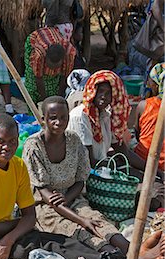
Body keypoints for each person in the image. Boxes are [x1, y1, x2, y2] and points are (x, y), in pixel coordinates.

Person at [0, 113, 101, 259]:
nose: (7, 147)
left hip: (3, 230)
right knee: (38, 251)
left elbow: (30, 216)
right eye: (0, 141)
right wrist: (19, 224)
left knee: (56, 239)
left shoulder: (18, 166)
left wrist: (10, 237)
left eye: (12, 141)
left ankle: (105, 257)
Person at [23, 96, 130, 255]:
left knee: (97, 220)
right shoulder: (34, 147)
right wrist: (81, 221)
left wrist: (68, 199)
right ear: (43, 119)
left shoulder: (73, 140)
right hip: (45, 207)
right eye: (53, 118)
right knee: (76, 230)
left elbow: (81, 179)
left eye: (63, 117)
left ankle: (132, 250)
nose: (58, 122)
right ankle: (113, 256)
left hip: (73, 197)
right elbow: (47, 196)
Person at [67, 70, 164, 209]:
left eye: (108, 93)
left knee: (155, 183)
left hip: (104, 167)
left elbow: (124, 152)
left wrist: (153, 170)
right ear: (92, 91)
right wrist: (130, 177)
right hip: (86, 176)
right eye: (100, 91)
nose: (103, 97)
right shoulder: (80, 117)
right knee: (146, 192)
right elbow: (89, 162)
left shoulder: (105, 115)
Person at [24, 26, 76, 104]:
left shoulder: (69, 54)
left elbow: (64, 77)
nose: (52, 69)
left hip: (53, 42)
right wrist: (45, 102)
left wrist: (58, 99)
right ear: (46, 58)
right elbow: (38, 78)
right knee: (32, 86)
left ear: (62, 61)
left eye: (56, 67)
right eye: (50, 65)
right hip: (35, 39)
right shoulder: (39, 55)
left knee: (53, 87)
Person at [134, 63, 165, 172]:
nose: (147, 83)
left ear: (157, 85)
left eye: (150, 81)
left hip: (144, 160)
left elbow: (137, 135)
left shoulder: (144, 105)